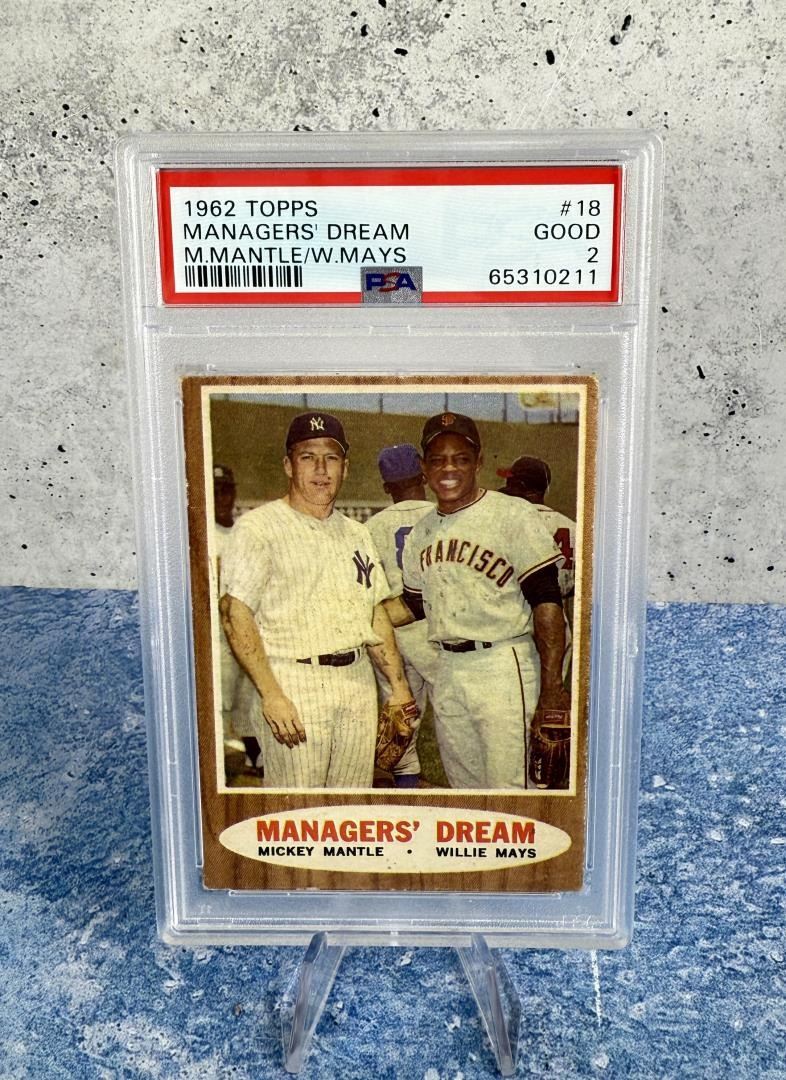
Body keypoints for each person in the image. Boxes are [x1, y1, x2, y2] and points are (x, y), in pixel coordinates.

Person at [219, 411, 415, 789]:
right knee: (299, 808)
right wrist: (272, 694)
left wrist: (398, 686)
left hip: (357, 681)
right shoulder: (259, 528)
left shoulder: (357, 534)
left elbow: (374, 613)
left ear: (345, 468)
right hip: (294, 679)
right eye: (308, 457)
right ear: (288, 465)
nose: (321, 469)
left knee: (350, 804)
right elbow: (234, 612)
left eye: (331, 458)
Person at [387, 412, 569, 790]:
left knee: (511, 790)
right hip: (447, 669)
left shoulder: (511, 513)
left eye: (461, 459)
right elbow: (414, 605)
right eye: (438, 460)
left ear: (478, 462)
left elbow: (547, 600)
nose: (449, 469)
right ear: (424, 468)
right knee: (465, 789)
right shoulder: (422, 533)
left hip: (503, 663)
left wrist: (553, 688)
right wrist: (354, 615)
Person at [366, 444, 439, 787]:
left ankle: (405, 790)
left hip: (393, 632)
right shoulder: (443, 513)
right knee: (457, 725)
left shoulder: (371, 527)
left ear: (386, 487)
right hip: (438, 631)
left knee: (401, 723)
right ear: (423, 475)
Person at [212, 465, 262, 775]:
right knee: (221, 700)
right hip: (218, 633)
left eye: (226, 490)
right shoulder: (204, 534)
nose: (221, 497)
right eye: (215, 491)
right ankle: (218, 770)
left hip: (249, 628)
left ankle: (254, 761)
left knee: (251, 698)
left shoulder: (244, 533)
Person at [497, 455, 576, 633]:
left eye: (510, 482)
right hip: (557, 624)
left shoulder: (507, 522)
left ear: (521, 486)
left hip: (517, 623)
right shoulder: (573, 528)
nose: (507, 486)